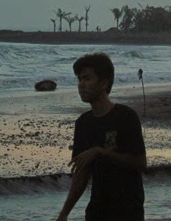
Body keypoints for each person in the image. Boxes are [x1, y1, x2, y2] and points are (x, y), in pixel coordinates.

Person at [56, 52, 146, 221]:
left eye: (87, 79)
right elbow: (81, 175)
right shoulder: (83, 124)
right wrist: (64, 213)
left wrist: (100, 152)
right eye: (79, 79)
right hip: (97, 210)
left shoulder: (126, 117)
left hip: (128, 210)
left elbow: (140, 163)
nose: (81, 85)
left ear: (104, 83)